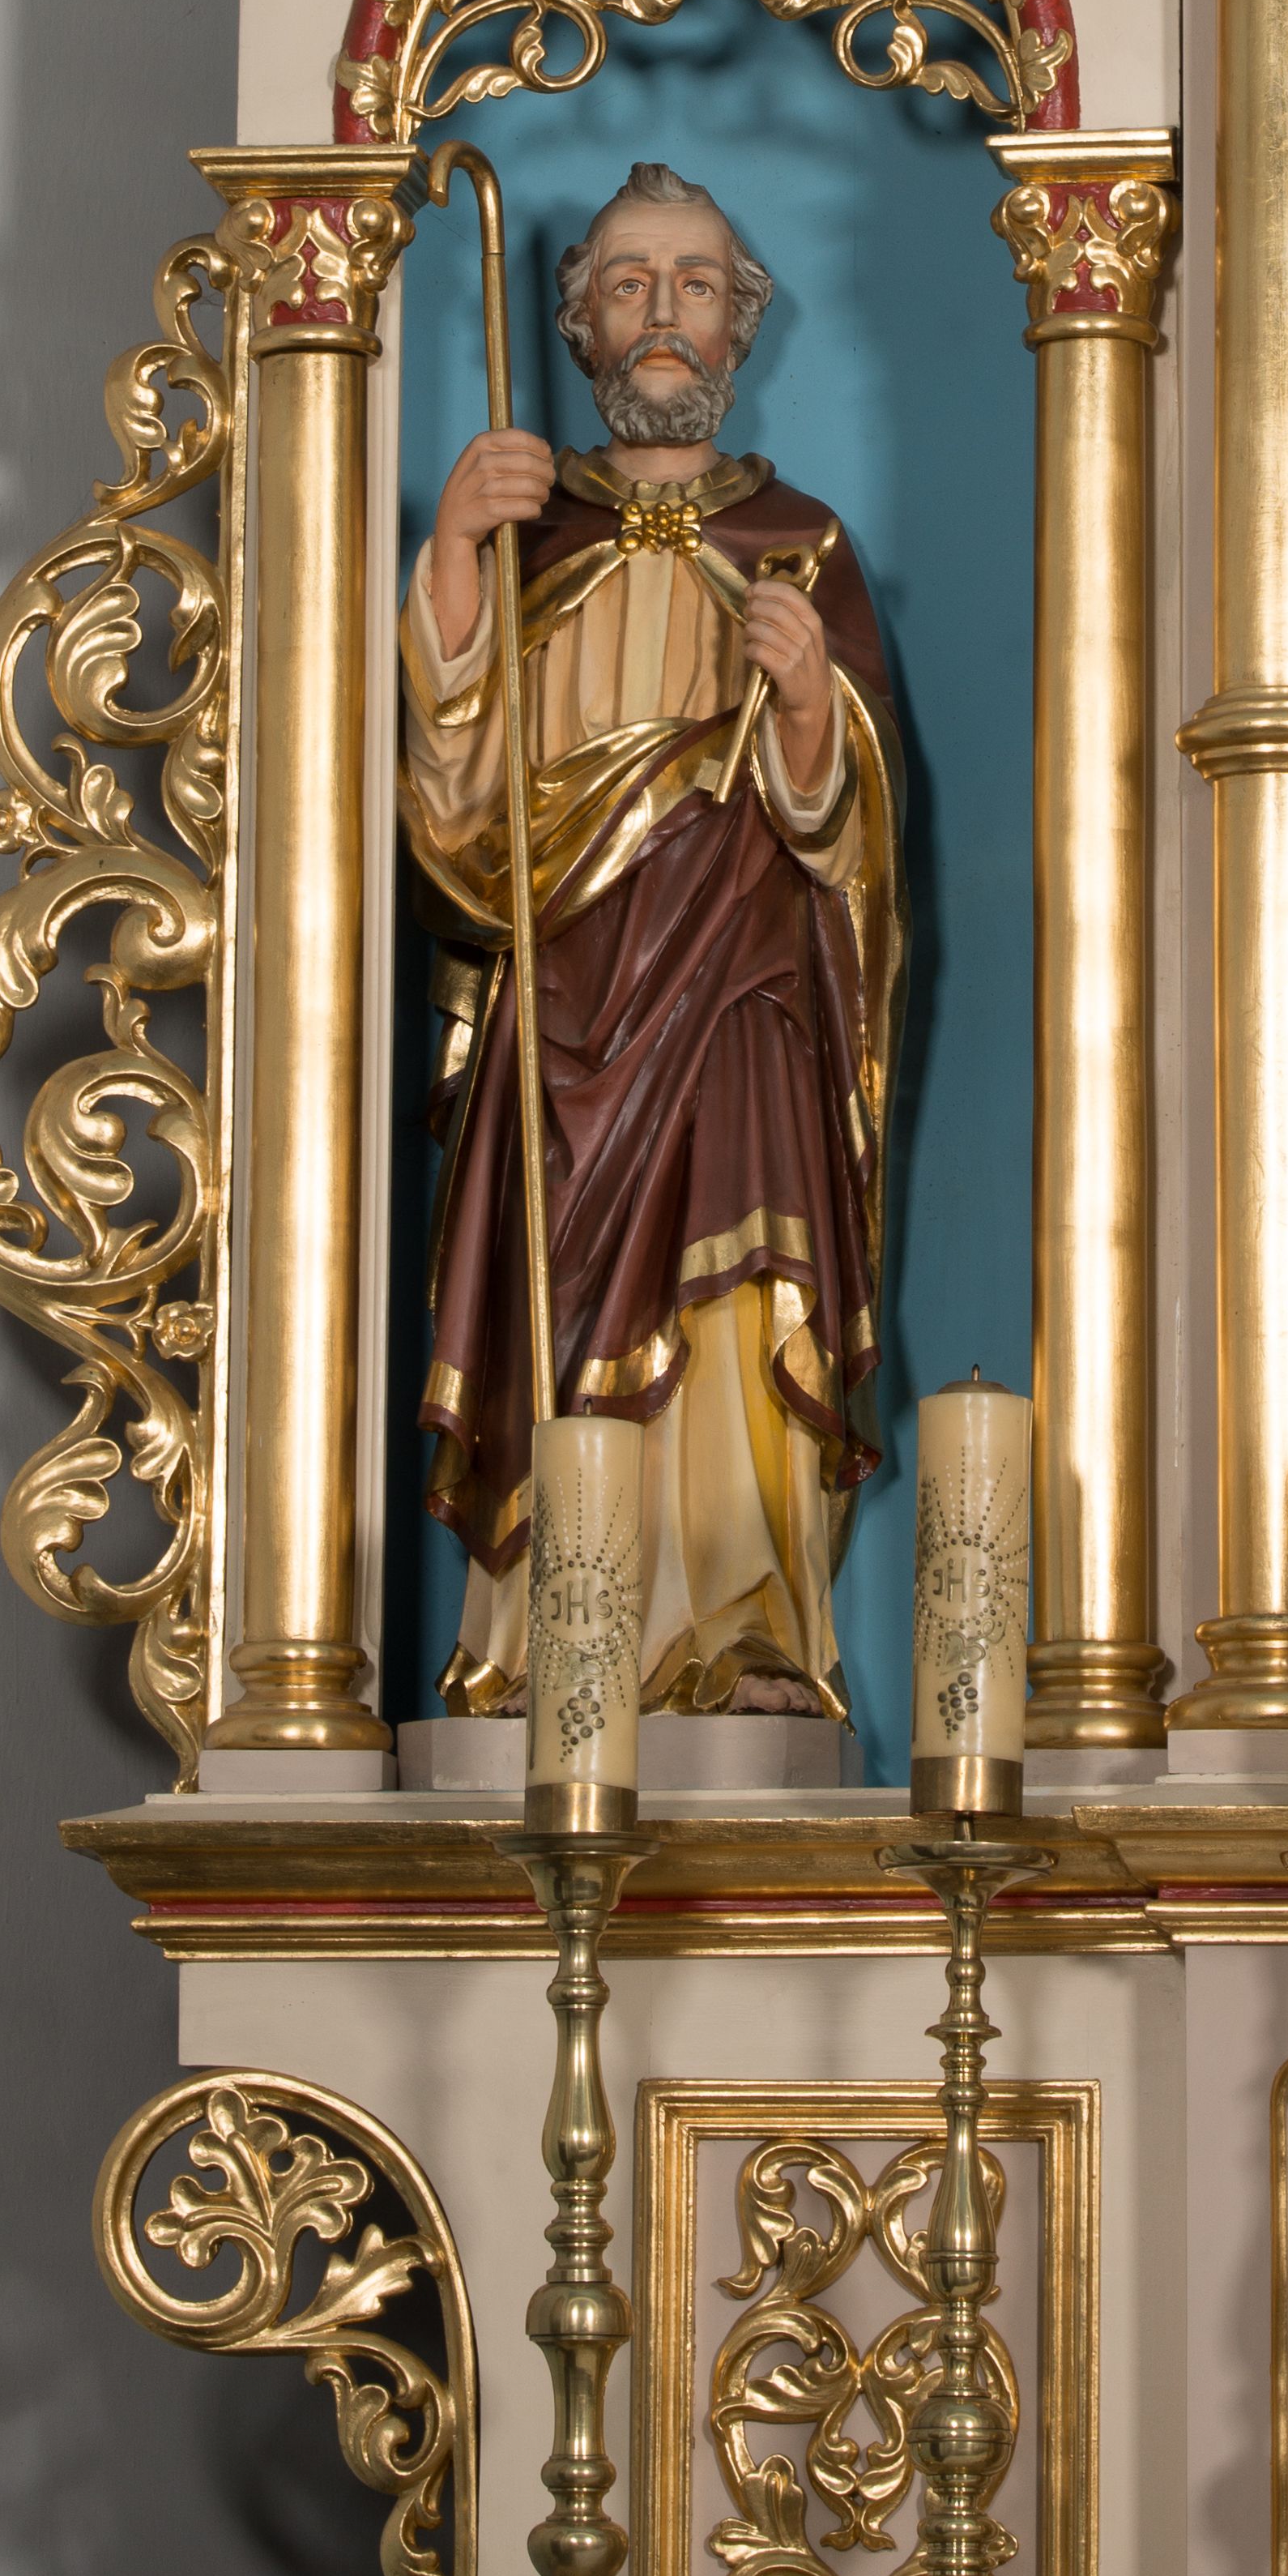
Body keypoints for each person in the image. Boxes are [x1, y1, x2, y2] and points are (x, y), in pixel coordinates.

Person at [399, 159, 906, 1718]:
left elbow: (856, 844)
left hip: (741, 985)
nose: (663, 314)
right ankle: (549, 1630)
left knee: (740, 1286)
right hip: (563, 995)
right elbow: (452, 806)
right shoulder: (523, 530)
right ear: (580, 327)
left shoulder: (801, 544)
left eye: (693, 285)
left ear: (740, 324)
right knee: (551, 1295)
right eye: (628, 285)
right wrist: (453, 561)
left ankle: (741, 1620)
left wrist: (808, 702)